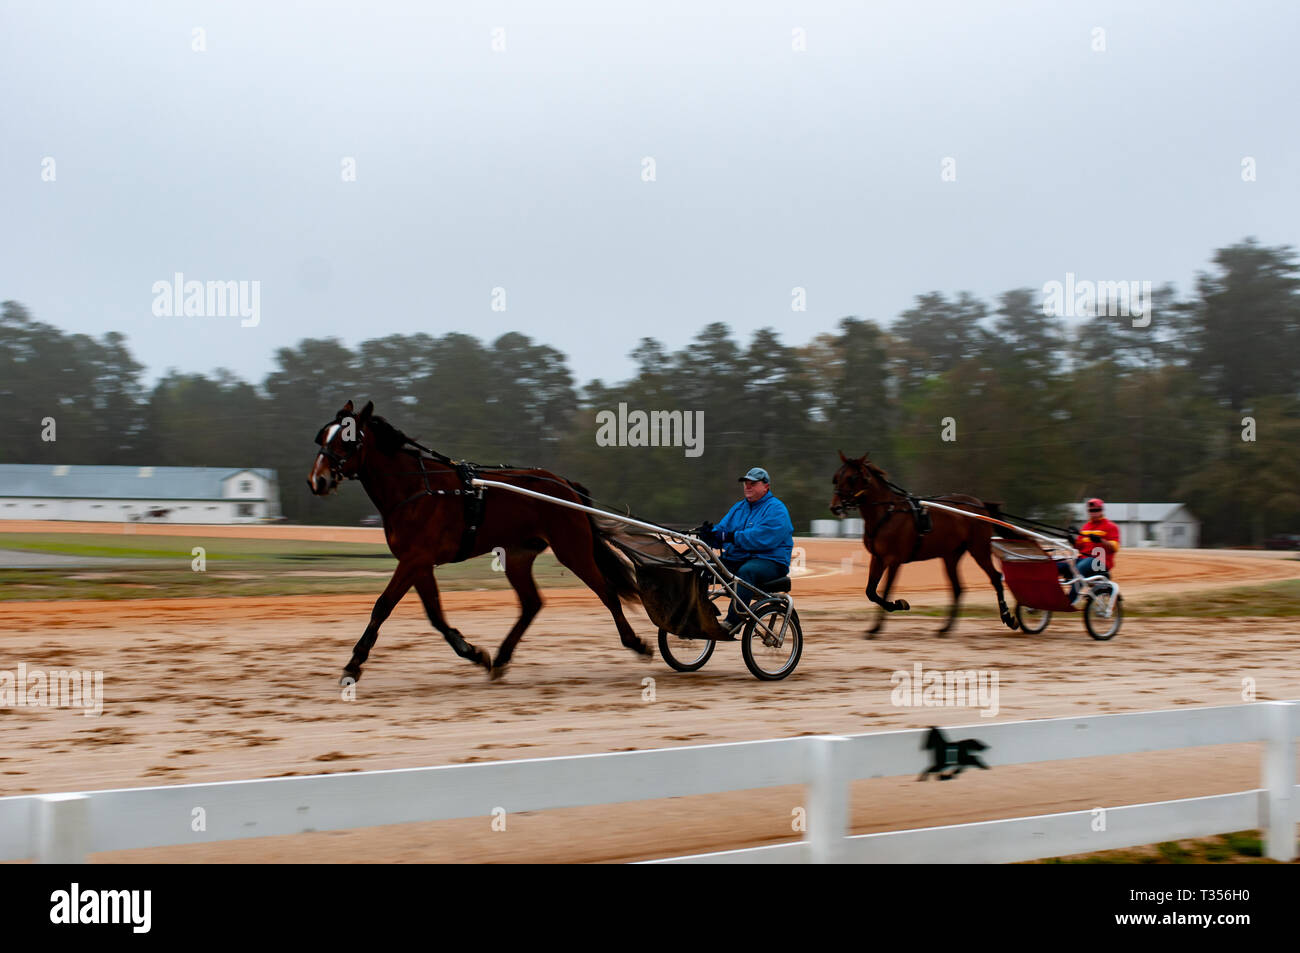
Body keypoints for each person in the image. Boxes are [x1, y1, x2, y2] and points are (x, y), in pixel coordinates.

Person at [693, 467, 794, 633]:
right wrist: (710, 535)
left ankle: (732, 622)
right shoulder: (739, 508)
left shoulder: (777, 509)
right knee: (702, 569)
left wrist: (730, 536)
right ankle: (698, 613)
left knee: (746, 572)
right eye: (746, 483)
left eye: (753, 483)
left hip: (770, 561)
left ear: (766, 486)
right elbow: (723, 531)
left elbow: (761, 538)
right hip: (739, 558)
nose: (748, 486)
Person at [1061, 497, 1120, 607]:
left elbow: (1115, 547)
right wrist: (1072, 540)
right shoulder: (1086, 526)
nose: (1093, 513)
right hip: (1083, 559)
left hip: (1100, 562)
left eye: (1096, 510)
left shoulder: (1111, 527)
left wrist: (1101, 540)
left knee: (1080, 567)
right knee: (1058, 565)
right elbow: (1080, 546)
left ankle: (1070, 600)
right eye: (1091, 511)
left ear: (1101, 510)